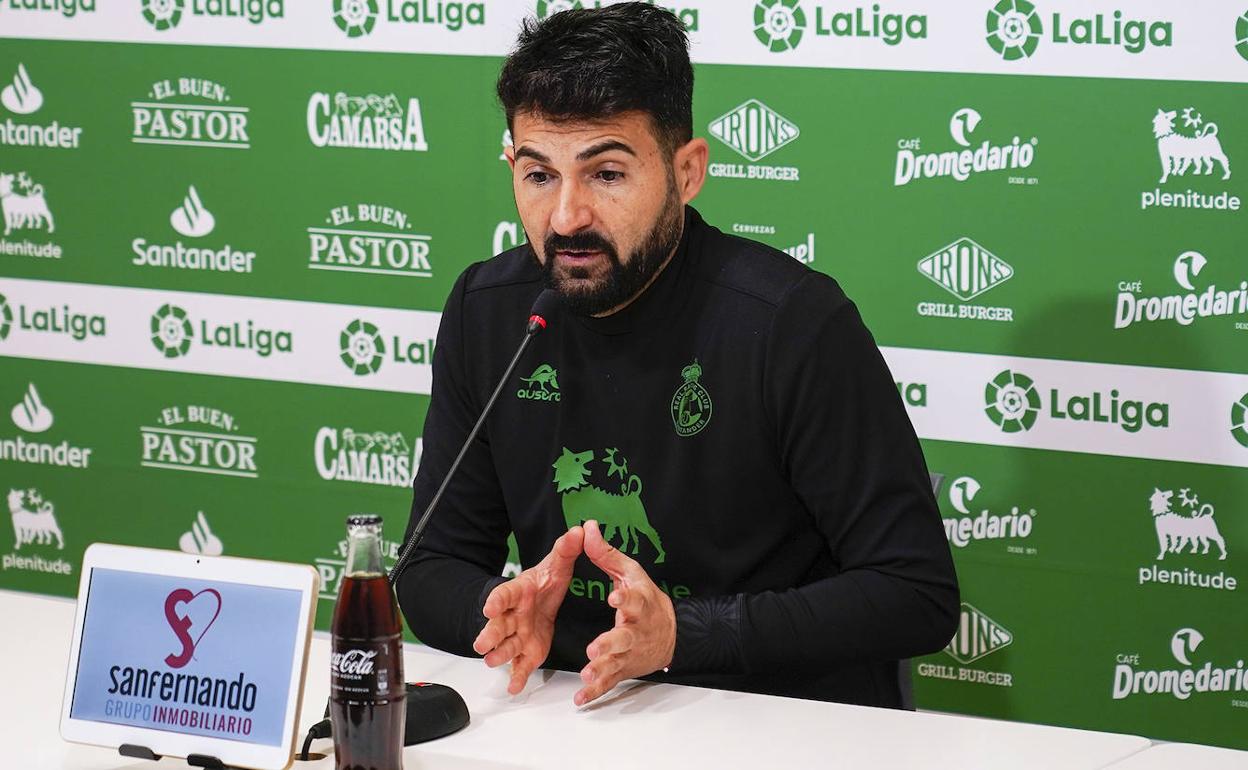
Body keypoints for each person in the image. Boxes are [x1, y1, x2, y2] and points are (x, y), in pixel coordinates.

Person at [397, 2, 958, 709]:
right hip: (576, 715)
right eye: (539, 176)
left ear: (687, 171)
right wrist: (497, 608)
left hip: (775, 721)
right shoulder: (490, 311)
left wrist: (682, 635)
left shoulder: (790, 322)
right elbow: (430, 565)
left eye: (606, 174)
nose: (566, 217)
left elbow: (914, 593)